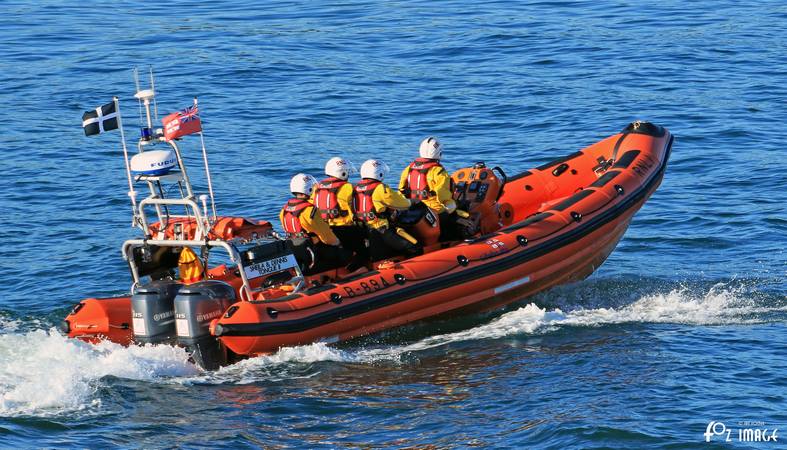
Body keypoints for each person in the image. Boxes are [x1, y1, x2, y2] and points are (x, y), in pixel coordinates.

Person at [280, 173, 350, 275]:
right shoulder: (309, 210)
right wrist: (339, 244)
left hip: (297, 251)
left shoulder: (284, 210)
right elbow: (326, 236)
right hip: (314, 252)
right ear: (308, 189)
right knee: (346, 253)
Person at [355, 159, 421, 262]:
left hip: (367, 231)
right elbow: (401, 203)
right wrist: (413, 201)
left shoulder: (356, 188)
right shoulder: (380, 188)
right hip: (383, 231)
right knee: (415, 247)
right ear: (379, 173)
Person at [398, 136, 461, 241]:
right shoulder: (438, 171)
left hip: (414, 208)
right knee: (455, 210)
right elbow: (443, 196)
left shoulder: (409, 168)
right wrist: (454, 207)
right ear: (439, 153)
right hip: (434, 209)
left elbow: (401, 190)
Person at [312, 157, 367, 269]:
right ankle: (357, 269)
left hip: (327, 229)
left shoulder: (317, 187)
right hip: (346, 229)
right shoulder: (348, 187)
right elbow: (359, 208)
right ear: (342, 173)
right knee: (365, 250)